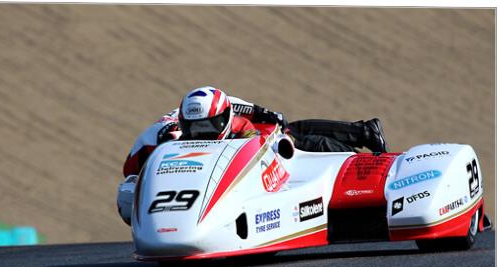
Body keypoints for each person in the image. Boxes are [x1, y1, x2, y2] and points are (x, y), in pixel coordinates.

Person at [123, 86, 387, 177]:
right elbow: (129, 171)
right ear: (183, 124)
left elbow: (230, 100)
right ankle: (362, 131)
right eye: (196, 128)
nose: (202, 132)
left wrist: (260, 112)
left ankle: (356, 157)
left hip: (248, 129)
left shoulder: (232, 119)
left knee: (288, 138)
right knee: (291, 127)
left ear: (223, 117)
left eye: (209, 125)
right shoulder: (166, 138)